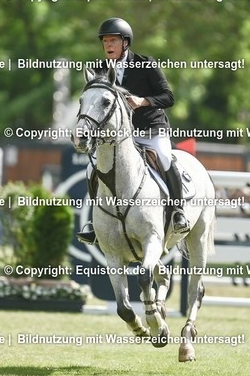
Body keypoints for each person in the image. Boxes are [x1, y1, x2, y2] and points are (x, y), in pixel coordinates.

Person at [76, 17, 189, 245]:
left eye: (113, 41)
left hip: (150, 130)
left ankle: (178, 213)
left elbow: (168, 97)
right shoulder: (98, 69)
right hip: (117, 137)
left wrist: (143, 101)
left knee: (165, 159)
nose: (108, 45)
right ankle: (96, 224)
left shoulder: (146, 64)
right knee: (91, 168)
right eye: (105, 41)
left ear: (125, 42)